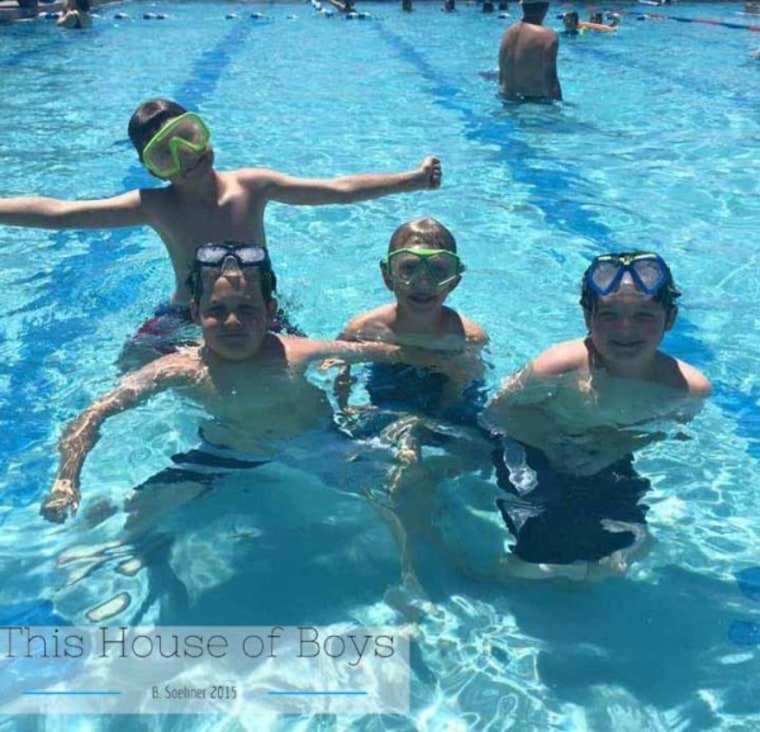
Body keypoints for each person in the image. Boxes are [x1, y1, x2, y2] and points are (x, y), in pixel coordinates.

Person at [39, 243, 444, 525]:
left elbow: (385, 352)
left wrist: (453, 361)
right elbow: (92, 415)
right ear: (195, 313)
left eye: (247, 309)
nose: (232, 322)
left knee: (403, 484)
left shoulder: (296, 351)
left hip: (318, 443)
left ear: (270, 311)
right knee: (138, 514)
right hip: (229, 449)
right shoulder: (180, 368)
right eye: (217, 310)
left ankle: (414, 580)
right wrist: (66, 480)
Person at [0, 99, 442, 352]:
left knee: (312, 369)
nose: (185, 157)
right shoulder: (155, 205)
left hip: (262, 311)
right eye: (163, 154)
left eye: (188, 138)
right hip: (183, 317)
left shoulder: (252, 186)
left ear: (203, 134)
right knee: (130, 372)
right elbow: (59, 214)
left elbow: (339, 189)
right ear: (152, 169)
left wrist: (413, 180)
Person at [480, 251, 712, 579]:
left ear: (670, 318)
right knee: (536, 553)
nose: (625, 328)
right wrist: (552, 444)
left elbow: (668, 428)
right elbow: (498, 412)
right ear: (588, 318)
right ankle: (494, 576)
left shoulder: (687, 388)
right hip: (530, 448)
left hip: (606, 456)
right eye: (609, 314)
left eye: (644, 315)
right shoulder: (559, 365)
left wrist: (616, 446)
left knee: (624, 549)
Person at [497, 0, 562, 102]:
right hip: (532, 104)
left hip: (505, 97)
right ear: (546, 7)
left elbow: (501, 75)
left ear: (523, 7)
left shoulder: (507, 32)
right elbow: (551, 77)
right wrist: (559, 106)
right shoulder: (548, 36)